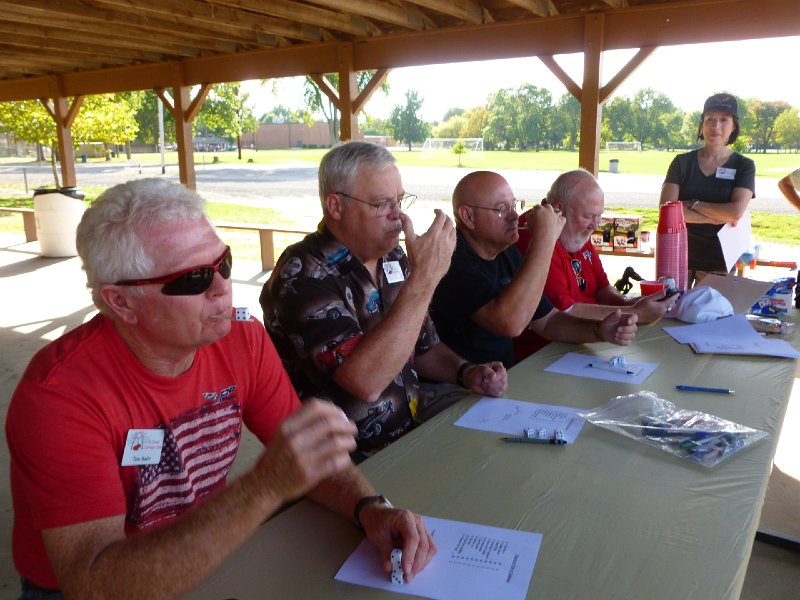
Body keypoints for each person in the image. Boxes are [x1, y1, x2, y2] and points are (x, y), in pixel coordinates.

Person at [6, 178, 435, 600]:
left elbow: (311, 456)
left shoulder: (241, 340)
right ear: (120, 302)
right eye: (193, 278)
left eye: (223, 263)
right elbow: (93, 583)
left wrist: (370, 508)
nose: (222, 287)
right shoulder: (60, 395)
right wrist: (263, 488)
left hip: (203, 544)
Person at [260, 141, 507, 460]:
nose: (398, 216)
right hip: (345, 462)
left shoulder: (393, 256)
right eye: (381, 204)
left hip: (412, 428)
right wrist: (426, 277)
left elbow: (424, 348)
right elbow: (364, 382)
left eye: (400, 201)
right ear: (336, 207)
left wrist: (467, 372)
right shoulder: (301, 276)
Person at [430, 170, 638, 369]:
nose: (514, 216)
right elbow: (510, 323)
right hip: (456, 390)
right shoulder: (451, 259)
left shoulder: (504, 252)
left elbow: (548, 321)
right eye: (502, 209)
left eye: (514, 205)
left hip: (498, 381)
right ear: (468, 216)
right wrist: (545, 238)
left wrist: (599, 330)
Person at [537, 169, 677, 322]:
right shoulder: (539, 237)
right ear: (559, 209)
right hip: (552, 343)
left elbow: (601, 287)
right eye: (589, 216)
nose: (595, 225)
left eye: (599, 215)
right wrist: (634, 312)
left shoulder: (573, 232)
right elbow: (564, 313)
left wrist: (625, 303)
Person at [659, 93, 756, 288]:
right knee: (670, 314)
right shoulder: (682, 162)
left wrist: (693, 204)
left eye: (723, 120)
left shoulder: (744, 165)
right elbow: (666, 211)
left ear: (734, 126)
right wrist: (717, 217)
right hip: (676, 257)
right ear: (702, 124)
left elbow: (735, 212)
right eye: (710, 119)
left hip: (718, 262)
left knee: (711, 316)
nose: (715, 126)